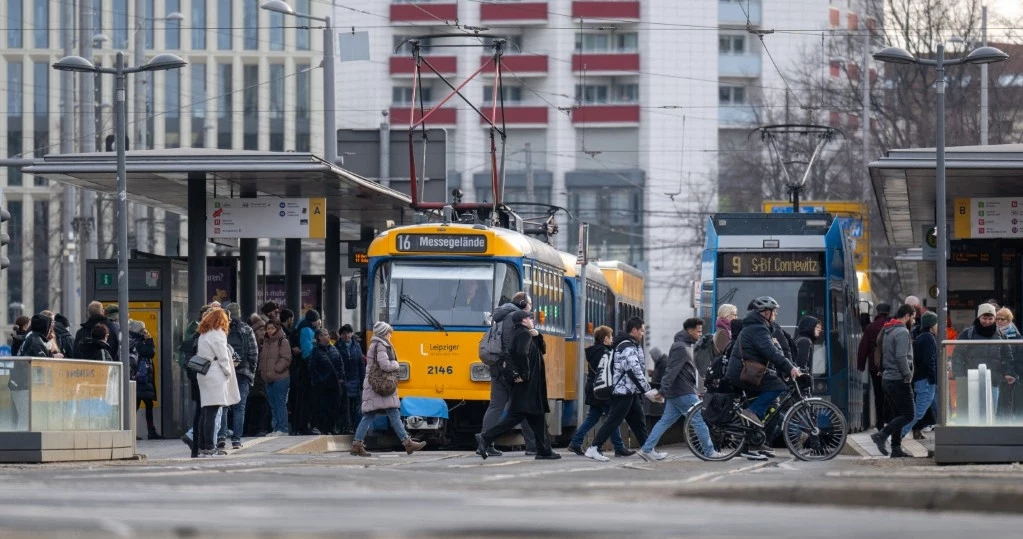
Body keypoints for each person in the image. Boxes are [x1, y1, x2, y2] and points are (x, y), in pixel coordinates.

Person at [475, 310, 560, 460]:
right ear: (522, 321)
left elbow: (542, 350)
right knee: (515, 417)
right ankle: (486, 438)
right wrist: (525, 375)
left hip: (531, 385)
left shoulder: (526, 334)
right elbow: (521, 354)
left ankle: (544, 450)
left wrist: (538, 335)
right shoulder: (523, 334)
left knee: (537, 417)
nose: (532, 320)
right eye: (529, 318)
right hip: (527, 385)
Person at [725, 297, 801, 460]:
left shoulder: (759, 327)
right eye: (774, 311)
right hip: (744, 373)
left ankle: (751, 445)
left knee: (764, 404)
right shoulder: (757, 329)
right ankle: (751, 413)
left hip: (749, 372)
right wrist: (790, 368)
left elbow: (775, 351)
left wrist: (786, 366)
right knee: (778, 386)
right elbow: (771, 353)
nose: (776, 314)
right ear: (766, 313)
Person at [640, 318, 722, 460]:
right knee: (698, 421)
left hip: (678, 391)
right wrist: (662, 391)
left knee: (665, 421)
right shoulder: (681, 347)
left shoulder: (685, 345)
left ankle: (647, 449)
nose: (700, 334)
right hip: (684, 391)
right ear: (690, 331)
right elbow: (671, 370)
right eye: (698, 331)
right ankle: (709, 452)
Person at [583, 317, 660, 462]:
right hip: (622, 391)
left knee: (638, 421)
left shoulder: (630, 344)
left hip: (629, 390)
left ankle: (648, 449)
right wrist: (647, 390)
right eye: (641, 330)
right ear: (634, 330)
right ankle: (594, 448)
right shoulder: (627, 346)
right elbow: (633, 369)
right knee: (614, 420)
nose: (643, 333)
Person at [349, 322, 426, 457]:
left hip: (375, 385)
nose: (390, 335)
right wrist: (396, 364)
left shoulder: (376, 344)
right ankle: (407, 443)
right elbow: (384, 365)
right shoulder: (381, 345)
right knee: (392, 413)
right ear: (384, 333)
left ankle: (357, 445)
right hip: (381, 386)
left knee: (370, 415)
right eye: (389, 332)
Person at [479, 291, 538, 456]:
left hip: (497, 365)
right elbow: (512, 347)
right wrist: (517, 370)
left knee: (496, 406)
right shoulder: (513, 317)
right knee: (524, 405)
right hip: (510, 368)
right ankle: (533, 445)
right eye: (530, 305)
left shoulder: (499, 315)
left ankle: (485, 443)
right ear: (522, 304)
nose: (530, 309)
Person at [566, 325, 632, 457]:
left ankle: (576, 442)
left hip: (593, 388)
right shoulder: (603, 353)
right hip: (601, 389)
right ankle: (618, 447)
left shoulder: (595, 351)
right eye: (610, 337)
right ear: (605, 338)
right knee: (613, 417)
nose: (612, 339)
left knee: (593, 418)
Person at [951, 303, 1016, 420]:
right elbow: (957, 355)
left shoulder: (1001, 335)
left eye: (990, 318)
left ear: (994, 318)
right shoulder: (967, 334)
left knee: (992, 411)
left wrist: (1008, 373)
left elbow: (1007, 356)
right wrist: (959, 375)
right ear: (978, 317)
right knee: (973, 412)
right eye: (984, 318)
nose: (987, 321)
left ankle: (989, 436)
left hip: (994, 380)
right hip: (971, 380)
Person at [193, 308, 241, 458]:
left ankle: (202, 447)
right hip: (215, 373)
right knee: (212, 413)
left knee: (206, 411)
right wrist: (228, 371)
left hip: (204, 374)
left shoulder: (204, 333)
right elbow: (223, 357)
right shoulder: (218, 334)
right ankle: (210, 447)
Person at [870, 304, 917, 458]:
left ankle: (896, 449)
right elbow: (901, 356)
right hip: (899, 379)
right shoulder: (902, 332)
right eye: (913, 317)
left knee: (898, 414)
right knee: (909, 414)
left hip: (887, 379)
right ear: (908, 316)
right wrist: (907, 375)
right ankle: (882, 435)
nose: (914, 321)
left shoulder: (888, 330)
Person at [221, 302, 258, 449]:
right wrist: (251, 372)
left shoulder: (223, 329)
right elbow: (253, 353)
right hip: (243, 372)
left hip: (226, 372)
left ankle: (221, 437)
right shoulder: (247, 329)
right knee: (239, 407)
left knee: (224, 405)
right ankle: (236, 440)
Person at [903, 311, 938, 441]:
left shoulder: (922, 337)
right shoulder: (928, 338)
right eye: (936, 324)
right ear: (931, 325)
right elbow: (929, 361)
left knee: (920, 410)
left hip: (921, 379)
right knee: (919, 411)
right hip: (926, 381)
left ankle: (897, 434)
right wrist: (933, 378)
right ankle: (898, 434)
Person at [858, 303, 892, 430]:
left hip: (875, 367)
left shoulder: (870, 327)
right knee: (890, 394)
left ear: (877, 312)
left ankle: (880, 423)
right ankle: (890, 420)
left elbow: (863, 347)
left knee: (878, 395)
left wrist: (861, 364)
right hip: (890, 366)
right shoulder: (892, 325)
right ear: (888, 312)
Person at [258, 320, 292, 436]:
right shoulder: (266, 342)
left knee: (280, 403)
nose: (269, 330)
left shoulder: (283, 341)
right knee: (273, 405)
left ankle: (283, 428)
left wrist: (277, 368)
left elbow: (286, 358)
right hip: (268, 378)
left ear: (277, 328)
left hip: (280, 378)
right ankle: (276, 427)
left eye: (272, 328)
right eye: (268, 328)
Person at [309, 327, 345, 435]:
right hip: (322, 385)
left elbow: (340, 364)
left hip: (335, 384)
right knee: (322, 407)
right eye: (324, 335)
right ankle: (321, 427)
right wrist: (320, 380)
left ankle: (332, 427)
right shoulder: (315, 351)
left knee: (334, 406)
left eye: (327, 334)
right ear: (319, 338)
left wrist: (341, 377)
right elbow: (312, 368)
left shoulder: (333, 349)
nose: (328, 336)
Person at [336, 324, 365, 434]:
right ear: (341, 335)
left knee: (355, 406)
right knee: (345, 406)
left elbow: (361, 364)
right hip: (344, 381)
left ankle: (355, 426)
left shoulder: (356, 346)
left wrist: (363, 380)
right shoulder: (337, 347)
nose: (346, 335)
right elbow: (337, 364)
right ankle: (347, 427)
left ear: (352, 334)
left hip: (356, 380)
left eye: (348, 333)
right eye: (344, 333)